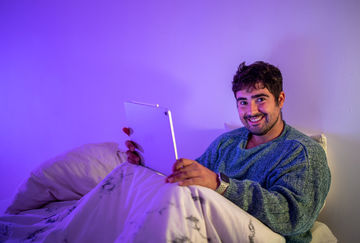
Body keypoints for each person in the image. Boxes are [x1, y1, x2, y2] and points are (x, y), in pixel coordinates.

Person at [125, 61, 331, 243]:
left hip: (271, 237)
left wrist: (220, 185)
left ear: (280, 99)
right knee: (127, 175)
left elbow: (294, 218)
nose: (251, 111)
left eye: (260, 99)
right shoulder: (227, 143)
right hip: (214, 230)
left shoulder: (302, 151)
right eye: (243, 102)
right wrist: (147, 164)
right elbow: (189, 182)